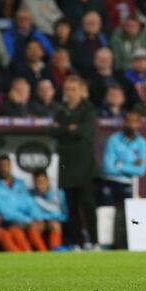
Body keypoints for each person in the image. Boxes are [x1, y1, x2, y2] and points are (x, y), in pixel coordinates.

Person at [52, 76, 98, 249]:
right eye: (67, 89)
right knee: (71, 208)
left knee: (88, 205)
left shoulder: (88, 109)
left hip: (84, 166)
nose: (70, 93)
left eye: (73, 89)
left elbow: (84, 131)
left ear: (81, 90)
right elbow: (53, 132)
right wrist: (69, 129)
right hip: (67, 165)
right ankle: (77, 242)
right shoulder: (61, 110)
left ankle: (94, 242)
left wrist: (64, 129)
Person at [97, 111, 146, 249]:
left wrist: (120, 165)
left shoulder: (142, 143)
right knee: (109, 213)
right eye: (128, 121)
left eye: (135, 121)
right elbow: (108, 167)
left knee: (128, 215)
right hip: (111, 182)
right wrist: (131, 166)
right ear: (124, 122)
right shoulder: (113, 140)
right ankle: (107, 244)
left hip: (129, 184)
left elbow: (141, 170)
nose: (131, 124)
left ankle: (127, 244)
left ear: (139, 124)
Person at [0, 155, 42, 252]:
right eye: (2, 166)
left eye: (7, 165)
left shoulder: (20, 184)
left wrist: (37, 218)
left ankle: (45, 254)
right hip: (7, 222)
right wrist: (27, 221)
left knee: (36, 229)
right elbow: (4, 211)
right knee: (16, 231)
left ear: (10, 167)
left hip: (25, 221)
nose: (5, 168)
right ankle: (26, 256)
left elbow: (30, 203)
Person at [29, 170, 66, 250]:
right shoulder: (31, 195)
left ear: (48, 180)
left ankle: (55, 251)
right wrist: (40, 220)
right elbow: (31, 211)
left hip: (55, 221)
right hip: (40, 222)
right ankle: (43, 252)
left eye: (42, 181)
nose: (40, 185)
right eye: (37, 182)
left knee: (55, 225)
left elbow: (64, 214)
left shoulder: (59, 193)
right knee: (32, 227)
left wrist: (51, 218)